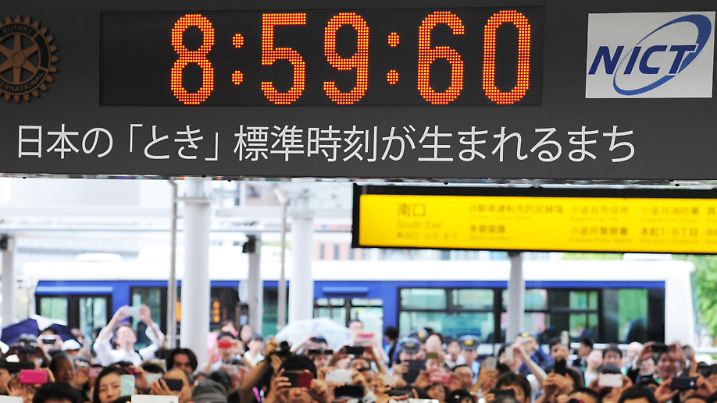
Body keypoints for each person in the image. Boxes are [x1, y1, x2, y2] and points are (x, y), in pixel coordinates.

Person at [93, 305, 164, 366]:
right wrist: (115, 319)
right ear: (117, 340)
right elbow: (99, 344)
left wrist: (148, 321)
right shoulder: (111, 356)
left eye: (129, 332)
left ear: (135, 338)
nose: (126, 335)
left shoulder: (141, 355)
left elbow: (159, 343)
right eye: (123, 333)